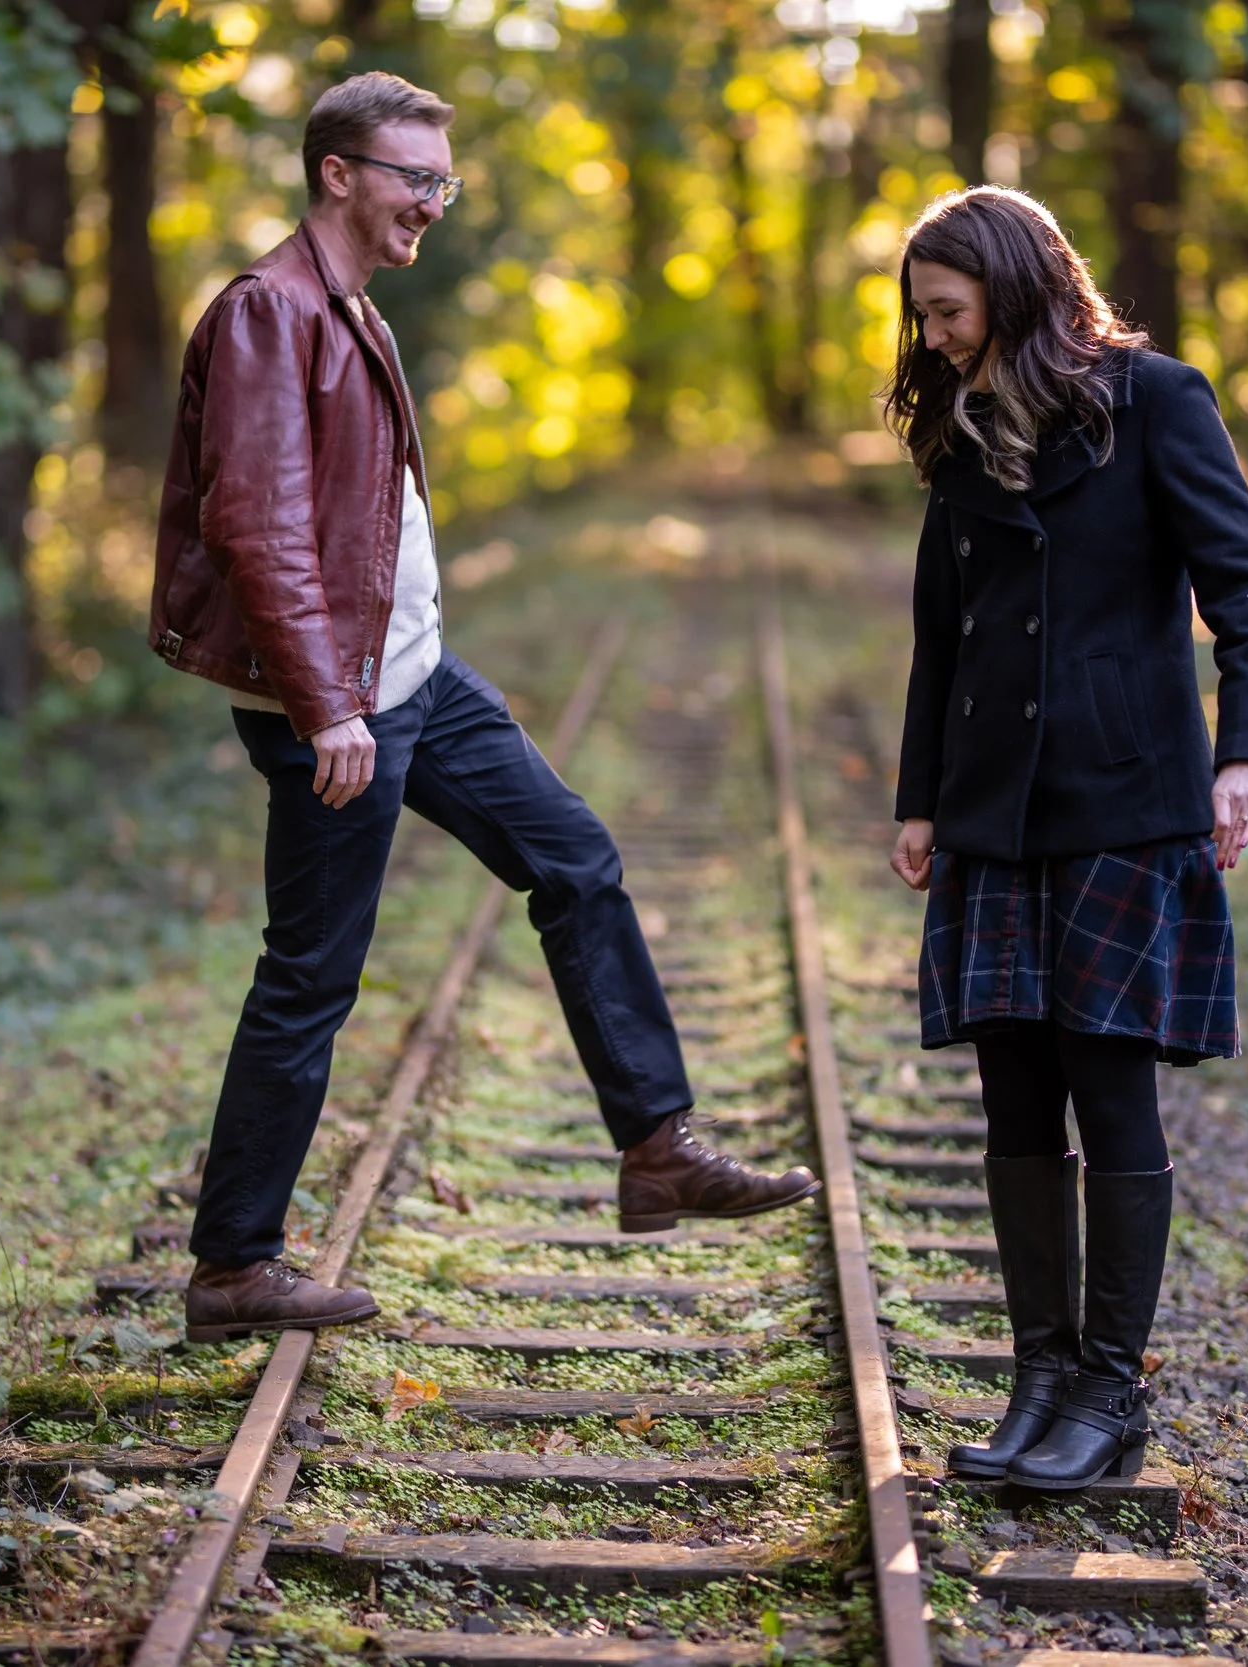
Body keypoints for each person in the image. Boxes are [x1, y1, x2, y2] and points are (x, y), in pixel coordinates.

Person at [148, 72, 820, 1344]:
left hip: (409, 678)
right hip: (336, 702)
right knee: (312, 975)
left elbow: (367, 526)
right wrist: (323, 706)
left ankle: (657, 1144)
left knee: (576, 858)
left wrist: (405, 667)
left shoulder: (353, 311)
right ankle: (233, 1263)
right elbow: (258, 526)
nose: (433, 205)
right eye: (416, 178)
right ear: (339, 173)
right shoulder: (266, 312)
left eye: (441, 182)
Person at [882, 188, 1248, 1490]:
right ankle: (1040, 1376)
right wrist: (920, 797)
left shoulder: (1159, 399)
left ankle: (1111, 1392)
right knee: (1012, 1101)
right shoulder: (960, 432)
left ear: (1009, 284)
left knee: (1111, 1091)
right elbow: (940, 631)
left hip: (1125, 801)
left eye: (948, 311)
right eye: (925, 319)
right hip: (996, 813)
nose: (936, 338)